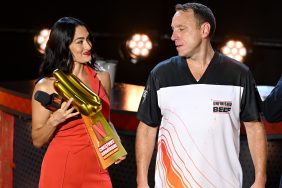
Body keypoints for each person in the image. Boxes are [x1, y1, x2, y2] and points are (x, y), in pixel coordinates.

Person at [135, 3, 267, 188]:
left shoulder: (239, 74)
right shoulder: (161, 74)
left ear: (204, 29)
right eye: (173, 30)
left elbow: (254, 128)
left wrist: (260, 179)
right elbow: (147, 128)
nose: (173, 36)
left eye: (181, 29)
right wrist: (141, 181)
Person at [31, 17, 125, 188]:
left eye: (88, 39)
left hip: (97, 166)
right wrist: (54, 120)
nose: (88, 46)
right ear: (64, 46)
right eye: (80, 42)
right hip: (62, 166)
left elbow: (104, 121)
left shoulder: (103, 77)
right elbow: (37, 140)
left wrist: (114, 145)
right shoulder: (47, 86)